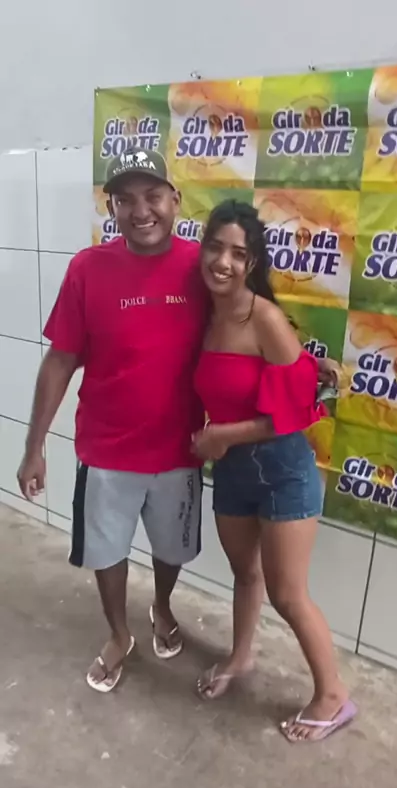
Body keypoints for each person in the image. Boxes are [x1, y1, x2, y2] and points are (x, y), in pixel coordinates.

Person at [17, 147, 207, 692]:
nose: (141, 211)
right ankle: (120, 634)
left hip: (180, 451)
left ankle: (162, 607)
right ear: (111, 208)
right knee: (106, 552)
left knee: (173, 549)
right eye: (125, 200)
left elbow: (245, 336)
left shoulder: (203, 268)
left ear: (175, 199)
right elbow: (60, 360)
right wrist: (34, 447)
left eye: (153, 196)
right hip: (106, 451)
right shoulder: (88, 268)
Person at [192, 200, 356, 743]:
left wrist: (222, 435)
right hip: (233, 473)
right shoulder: (204, 312)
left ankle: (333, 695)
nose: (223, 262)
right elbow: (294, 373)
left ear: (253, 262)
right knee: (245, 575)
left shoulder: (263, 317)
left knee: (288, 593)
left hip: (283, 469)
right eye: (215, 247)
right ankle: (241, 657)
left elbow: (296, 412)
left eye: (238, 254)